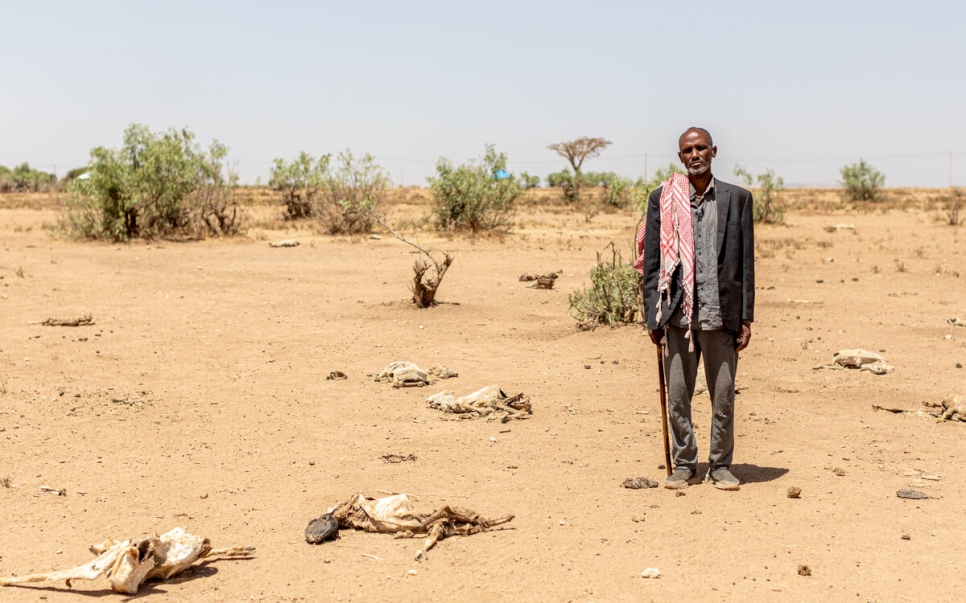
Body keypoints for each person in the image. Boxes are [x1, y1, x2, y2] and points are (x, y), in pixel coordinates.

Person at [637, 127, 755, 491]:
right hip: (677, 317)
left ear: (713, 151)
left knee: (723, 399)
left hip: (721, 317)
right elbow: (653, 261)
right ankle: (685, 464)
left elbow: (745, 263)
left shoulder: (737, 199)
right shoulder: (664, 199)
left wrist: (746, 318)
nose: (695, 154)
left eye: (701, 147)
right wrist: (651, 315)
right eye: (687, 150)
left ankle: (720, 466)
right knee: (678, 398)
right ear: (680, 157)